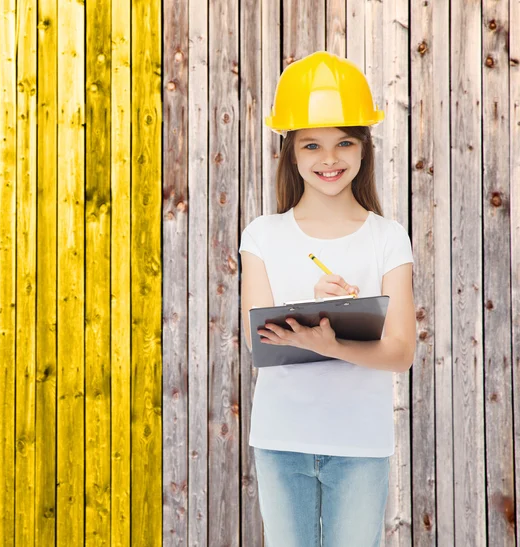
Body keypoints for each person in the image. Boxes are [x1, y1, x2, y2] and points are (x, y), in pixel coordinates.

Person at [238, 51, 416, 547]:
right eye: (312, 144)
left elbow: (401, 351)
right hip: (281, 441)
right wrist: (314, 312)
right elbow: (261, 345)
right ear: (292, 153)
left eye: (344, 143)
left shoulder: (388, 238)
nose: (329, 158)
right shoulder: (262, 236)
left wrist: (333, 342)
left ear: (364, 149)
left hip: (360, 444)